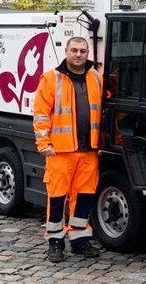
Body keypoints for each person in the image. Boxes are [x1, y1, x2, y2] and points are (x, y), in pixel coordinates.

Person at [33, 36, 103, 262]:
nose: (78, 54)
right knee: (57, 197)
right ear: (66, 51)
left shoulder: (96, 77)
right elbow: (41, 113)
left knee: (84, 197)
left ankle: (80, 240)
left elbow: (104, 109)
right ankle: (55, 242)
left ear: (88, 52)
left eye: (83, 50)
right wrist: (43, 143)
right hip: (60, 152)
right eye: (74, 50)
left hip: (89, 150)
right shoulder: (51, 78)